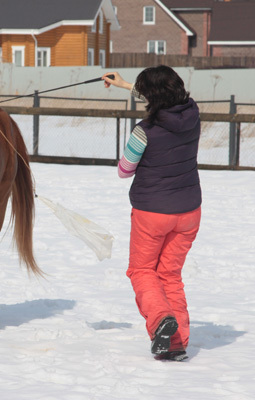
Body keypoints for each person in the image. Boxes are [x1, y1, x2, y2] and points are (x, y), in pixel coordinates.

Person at [102, 66, 202, 362]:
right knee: (170, 274)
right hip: (189, 211)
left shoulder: (143, 131)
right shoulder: (192, 114)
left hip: (152, 212)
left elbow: (124, 170)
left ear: (151, 97)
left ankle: (161, 321)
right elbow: (163, 99)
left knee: (142, 271)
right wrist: (124, 85)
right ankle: (177, 341)